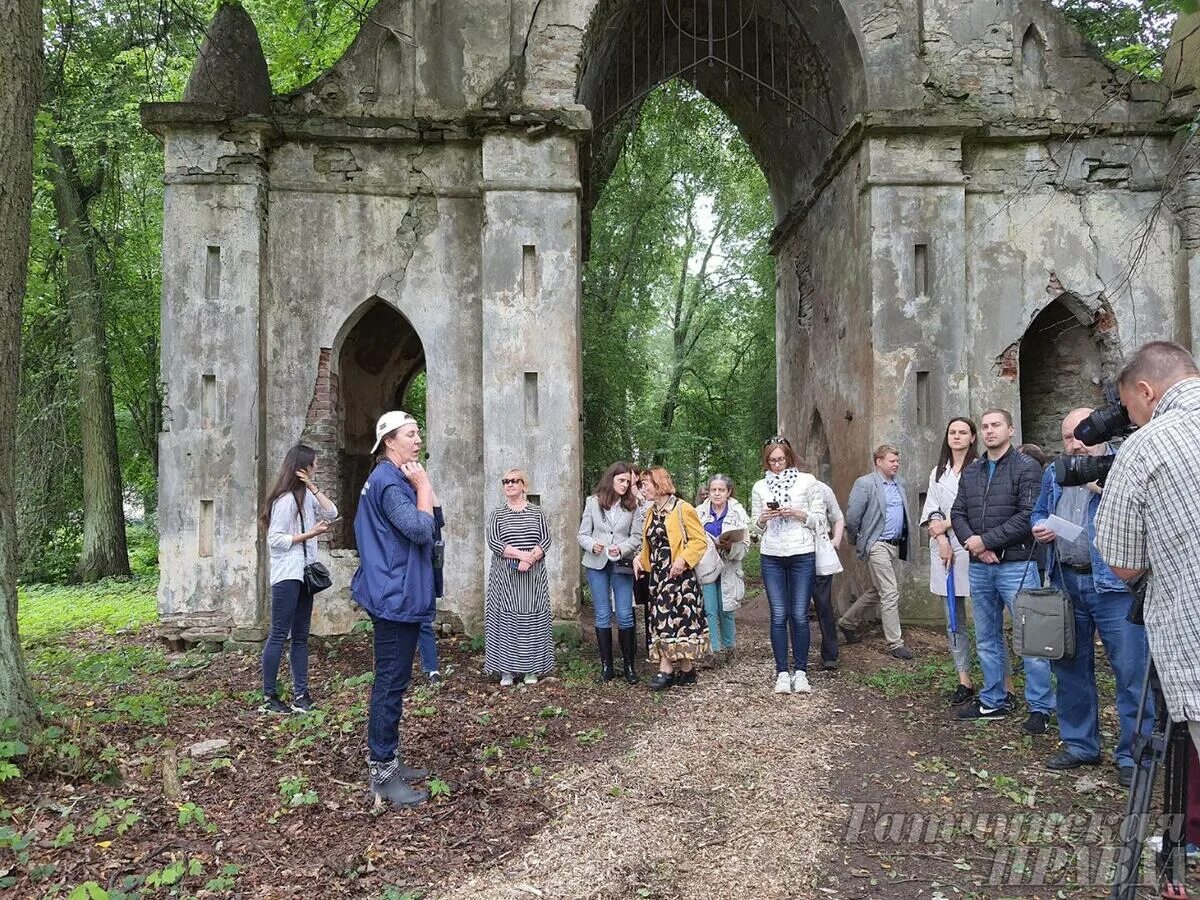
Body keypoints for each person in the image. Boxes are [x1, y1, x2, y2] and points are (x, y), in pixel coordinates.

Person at [1031, 408, 1148, 785]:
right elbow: (1039, 513)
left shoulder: (1123, 467)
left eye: (1081, 434)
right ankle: (1080, 744)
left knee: (1130, 670)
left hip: (1114, 586)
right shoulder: (1055, 472)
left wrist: (1105, 488)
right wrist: (1040, 528)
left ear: (1099, 433)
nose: (1075, 442)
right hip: (1067, 581)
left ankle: (1135, 754)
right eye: (1067, 436)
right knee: (1069, 666)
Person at [1095, 341, 1200, 760]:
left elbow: (1123, 562)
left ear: (1145, 391)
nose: (1132, 419)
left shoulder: (1148, 445)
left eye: (1128, 408)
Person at [351, 411, 438, 808]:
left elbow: (436, 520)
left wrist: (423, 486)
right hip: (392, 596)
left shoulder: (396, 478)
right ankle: (382, 772)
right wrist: (422, 484)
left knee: (396, 681)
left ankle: (389, 760)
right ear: (389, 441)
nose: (418, 440)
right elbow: (421, 530)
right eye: (411, 434)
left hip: (398, 592)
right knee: (389, 682)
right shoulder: (388, 482)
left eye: (418, 433)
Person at [951, 409, 1053, 734]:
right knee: (986, 637)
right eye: (985, 426)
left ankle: (1040, 707)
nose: (990, 431)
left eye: (996, 425)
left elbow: (1028, 515)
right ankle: (994, 699)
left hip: (1018, 565)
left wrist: (986, 541)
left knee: (1032, 639)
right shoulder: (973, 470)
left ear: (1010, 430)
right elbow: (957, 512)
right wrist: (972, 542)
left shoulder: (1027, 468)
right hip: (981, 568)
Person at [261, 443, 338, 714]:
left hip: (305, 573)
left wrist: (314, 488)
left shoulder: (308, 496)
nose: (316, 468)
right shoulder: (284, 501)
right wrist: (310, 534)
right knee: (279, 634)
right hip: (287, 575)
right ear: (303, 467)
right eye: (314, 464)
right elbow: (276, 540)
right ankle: (270, 696)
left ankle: (301, 695)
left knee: (301, 637)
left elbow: (332, 513)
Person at [751, 437, 826, 694]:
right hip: (772, 554)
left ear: (789, 458)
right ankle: (782, 672)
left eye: (781, 459)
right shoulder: (760, 487)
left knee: (799, 614)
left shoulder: (807, 482)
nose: (777, 465)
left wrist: (797, 513)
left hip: (802, 552)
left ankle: (802, 672)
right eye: (772, 461)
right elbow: (754, 527)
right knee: (779, 614)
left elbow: (819, 519)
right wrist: (763, 517)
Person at [634, 466, 710, 690]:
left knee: (672, 622)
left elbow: (699, 541)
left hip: (680, 578)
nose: (642, 488)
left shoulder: (682, 508)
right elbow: (650, 543)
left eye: (645, 484)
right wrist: (640, 559)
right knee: (668, 622)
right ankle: (687, 671)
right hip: (658, 576)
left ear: (659, 484)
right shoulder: (652, 512)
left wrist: (683, 560)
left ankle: (665, 670)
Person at [840, 445, 916, 660]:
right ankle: (895, 643)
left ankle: (847, 622)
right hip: (877, 544)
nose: (896, 464)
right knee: (890, 591)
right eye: (891, 461)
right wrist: (859, 540)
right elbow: (853, 517)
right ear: (878, 462)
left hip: (895, 544)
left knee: (878, 589)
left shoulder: (899, 483)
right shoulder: (865, 483)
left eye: (897, 461)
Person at [921, 419, 978, 704]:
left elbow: (978, 511)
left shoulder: (979, 468)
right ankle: (964, 679)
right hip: (944, 551)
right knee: (953, 620)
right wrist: (942, 539)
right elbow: (931, 512)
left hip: (973, 547)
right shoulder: (938, 473)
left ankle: (1001, 682)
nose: (956, 436)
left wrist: (946, 525)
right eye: (952, 432)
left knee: (984, 618)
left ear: (972, 438)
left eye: (962, 432)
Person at [484, 469, 554, 687]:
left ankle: (531, 669)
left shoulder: (537, 513)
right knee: (506, 620)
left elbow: (546, 539)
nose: (509, 484)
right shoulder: (497, 513)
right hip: (505, 576)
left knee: (531, 620)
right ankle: (507, 670)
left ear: (524, 485)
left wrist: (530, 558)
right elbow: (494, 542)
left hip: (532, 577)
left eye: (514, 481)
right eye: (505, 481)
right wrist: (521, 555)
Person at [578, 462, 645, 684]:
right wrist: (592, 545)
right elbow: (582, 534)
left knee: (625, 612)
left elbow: (636, 537)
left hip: (621, 563)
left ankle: (629, 666)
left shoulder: (633, 506)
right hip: (596, 562)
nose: (625, 485)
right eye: (621, 480)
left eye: (628, 481)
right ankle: (606, 666)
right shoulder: (593, 502)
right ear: (611, 479)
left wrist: (623, 548)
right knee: (602, 613)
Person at [696, 474, 751, 663]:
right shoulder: (699, 512)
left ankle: (730, 647)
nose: (717, 493)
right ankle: (712, 650)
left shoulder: (738, 512)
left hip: (729, 565)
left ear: (728, 492)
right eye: (713, 490)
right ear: (708, 492)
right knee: (709, 608)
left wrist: (730, 547)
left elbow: (745, 545)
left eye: (721, 490)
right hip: (706, 566)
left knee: (726, 608)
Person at [809, 476, 844, 671]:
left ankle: (830, 653)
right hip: (792, 554)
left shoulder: (822, 488)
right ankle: (798, 653)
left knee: (823, 603)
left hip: (819, 551)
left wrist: (836, 540)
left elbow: (838, 516)